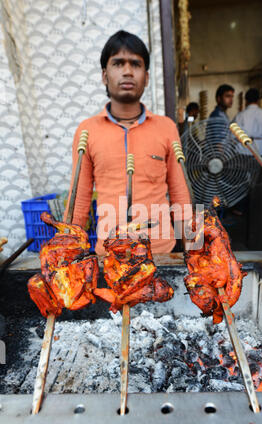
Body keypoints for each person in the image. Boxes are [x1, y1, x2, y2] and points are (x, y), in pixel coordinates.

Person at [64, 30, 191, 256]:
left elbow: (180, 195)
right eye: (118, 63)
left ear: (147, 76)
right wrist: (65, 253)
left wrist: (194, 252)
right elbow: (79, 200)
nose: (127, 71)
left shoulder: (166, 127)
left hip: (162, 254)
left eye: (135, 64)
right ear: (105, 75)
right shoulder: (87, 131)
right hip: (110, 258)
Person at [234, 88, 262, 158]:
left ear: (246, 101)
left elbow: (233, 136)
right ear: (258, 100)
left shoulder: (239, 116)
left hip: (243, 151)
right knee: (260, 169)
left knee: (245, 169)